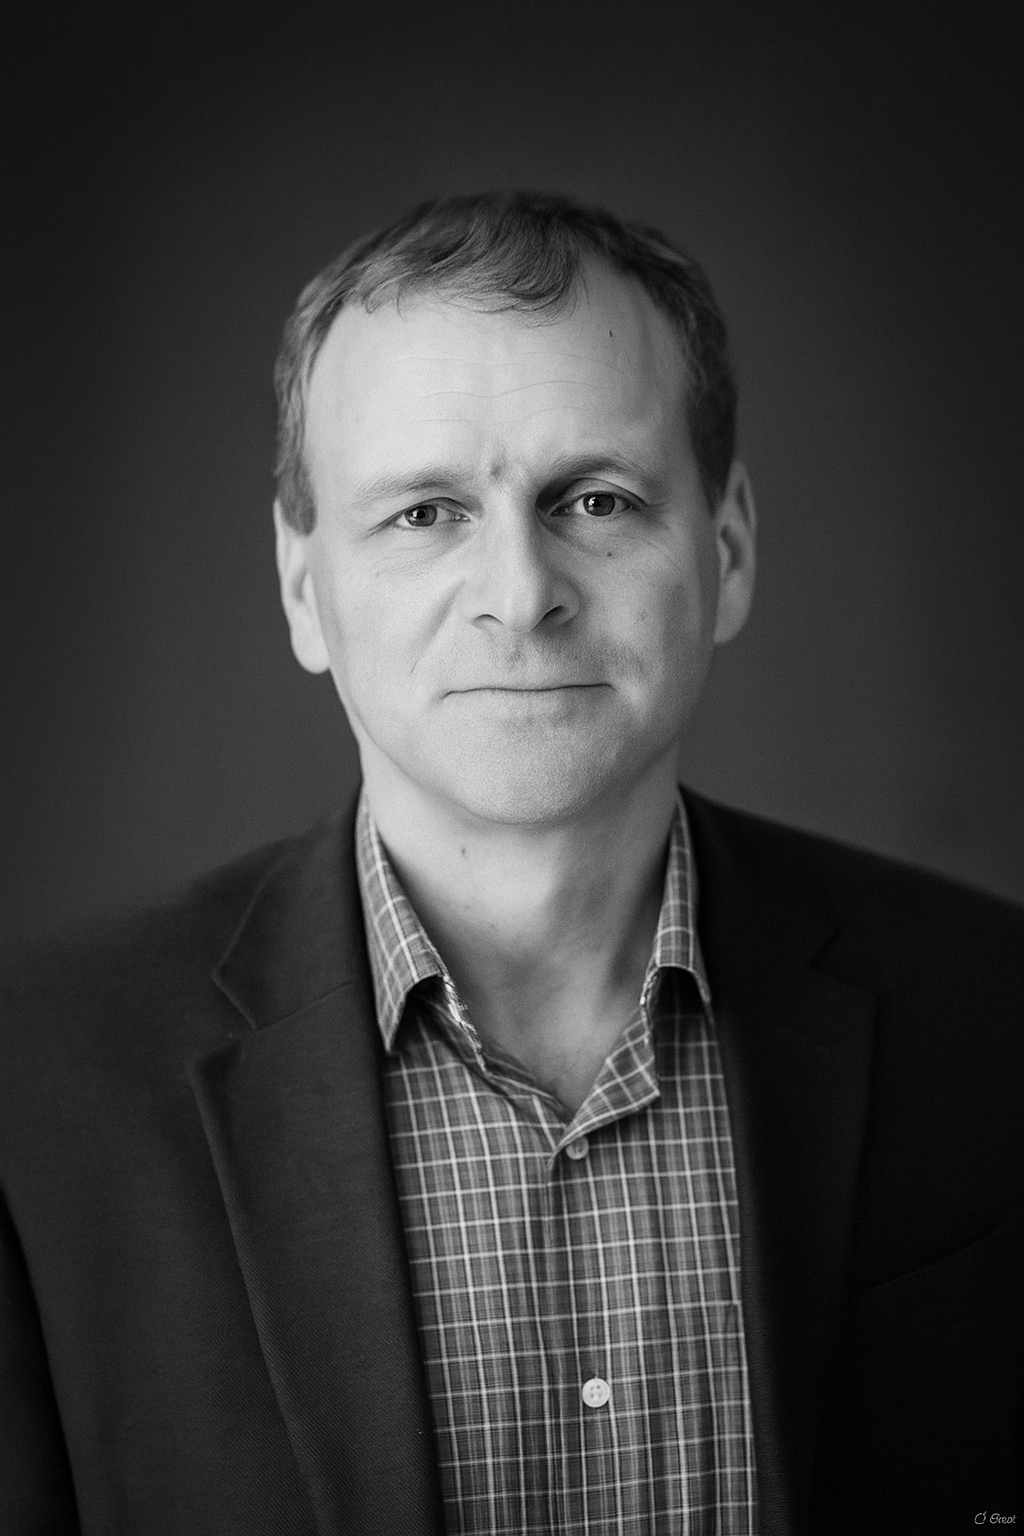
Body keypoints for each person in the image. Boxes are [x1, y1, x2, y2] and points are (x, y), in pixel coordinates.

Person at [0, 191, 1020, 1536]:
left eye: (595, 499)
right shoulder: (35, 1088)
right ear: (306, 588)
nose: (519, 590)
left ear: (727, 549)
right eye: (425, 513)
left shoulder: (998, 1017)